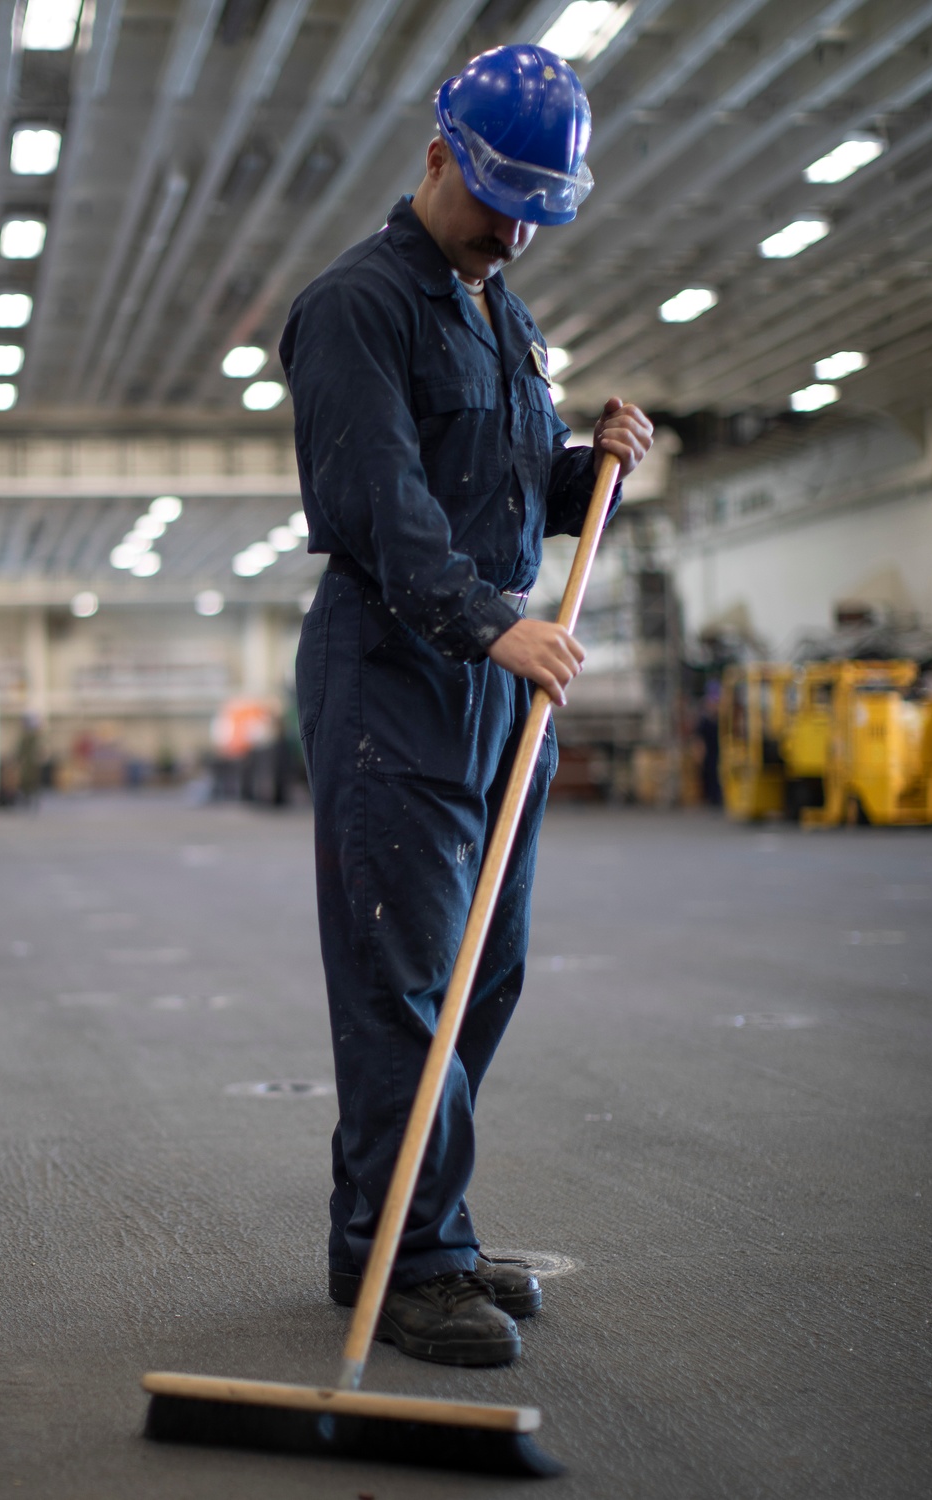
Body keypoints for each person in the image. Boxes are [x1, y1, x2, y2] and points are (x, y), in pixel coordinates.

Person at [280, 43, 652, 1368]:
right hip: (397, 676)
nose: (514, 232)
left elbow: (492, 485)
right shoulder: (356, 308)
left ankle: (407, 1225)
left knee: (482, 974)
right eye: (498, 201)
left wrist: (585, 473)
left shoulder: (500, 310)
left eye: (537, 211)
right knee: (407, 980)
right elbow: (381, 506)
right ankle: (411, 1257)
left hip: (496, 687)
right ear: (437, 156)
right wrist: (501, 623)